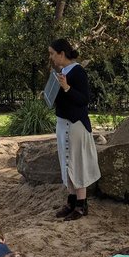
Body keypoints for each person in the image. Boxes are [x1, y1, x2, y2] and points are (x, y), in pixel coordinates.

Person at [48, 38, 101, 222]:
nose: (51, 58)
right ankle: (71, 201)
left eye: (53, 54)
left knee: (78, 162)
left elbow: (84, 100)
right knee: (67, 162)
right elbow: (62, 99)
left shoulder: (78, 72)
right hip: (63, 123)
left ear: (62, 54)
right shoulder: (61, 71)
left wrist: (67, 88)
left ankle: (81, 204)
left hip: (76, 124)